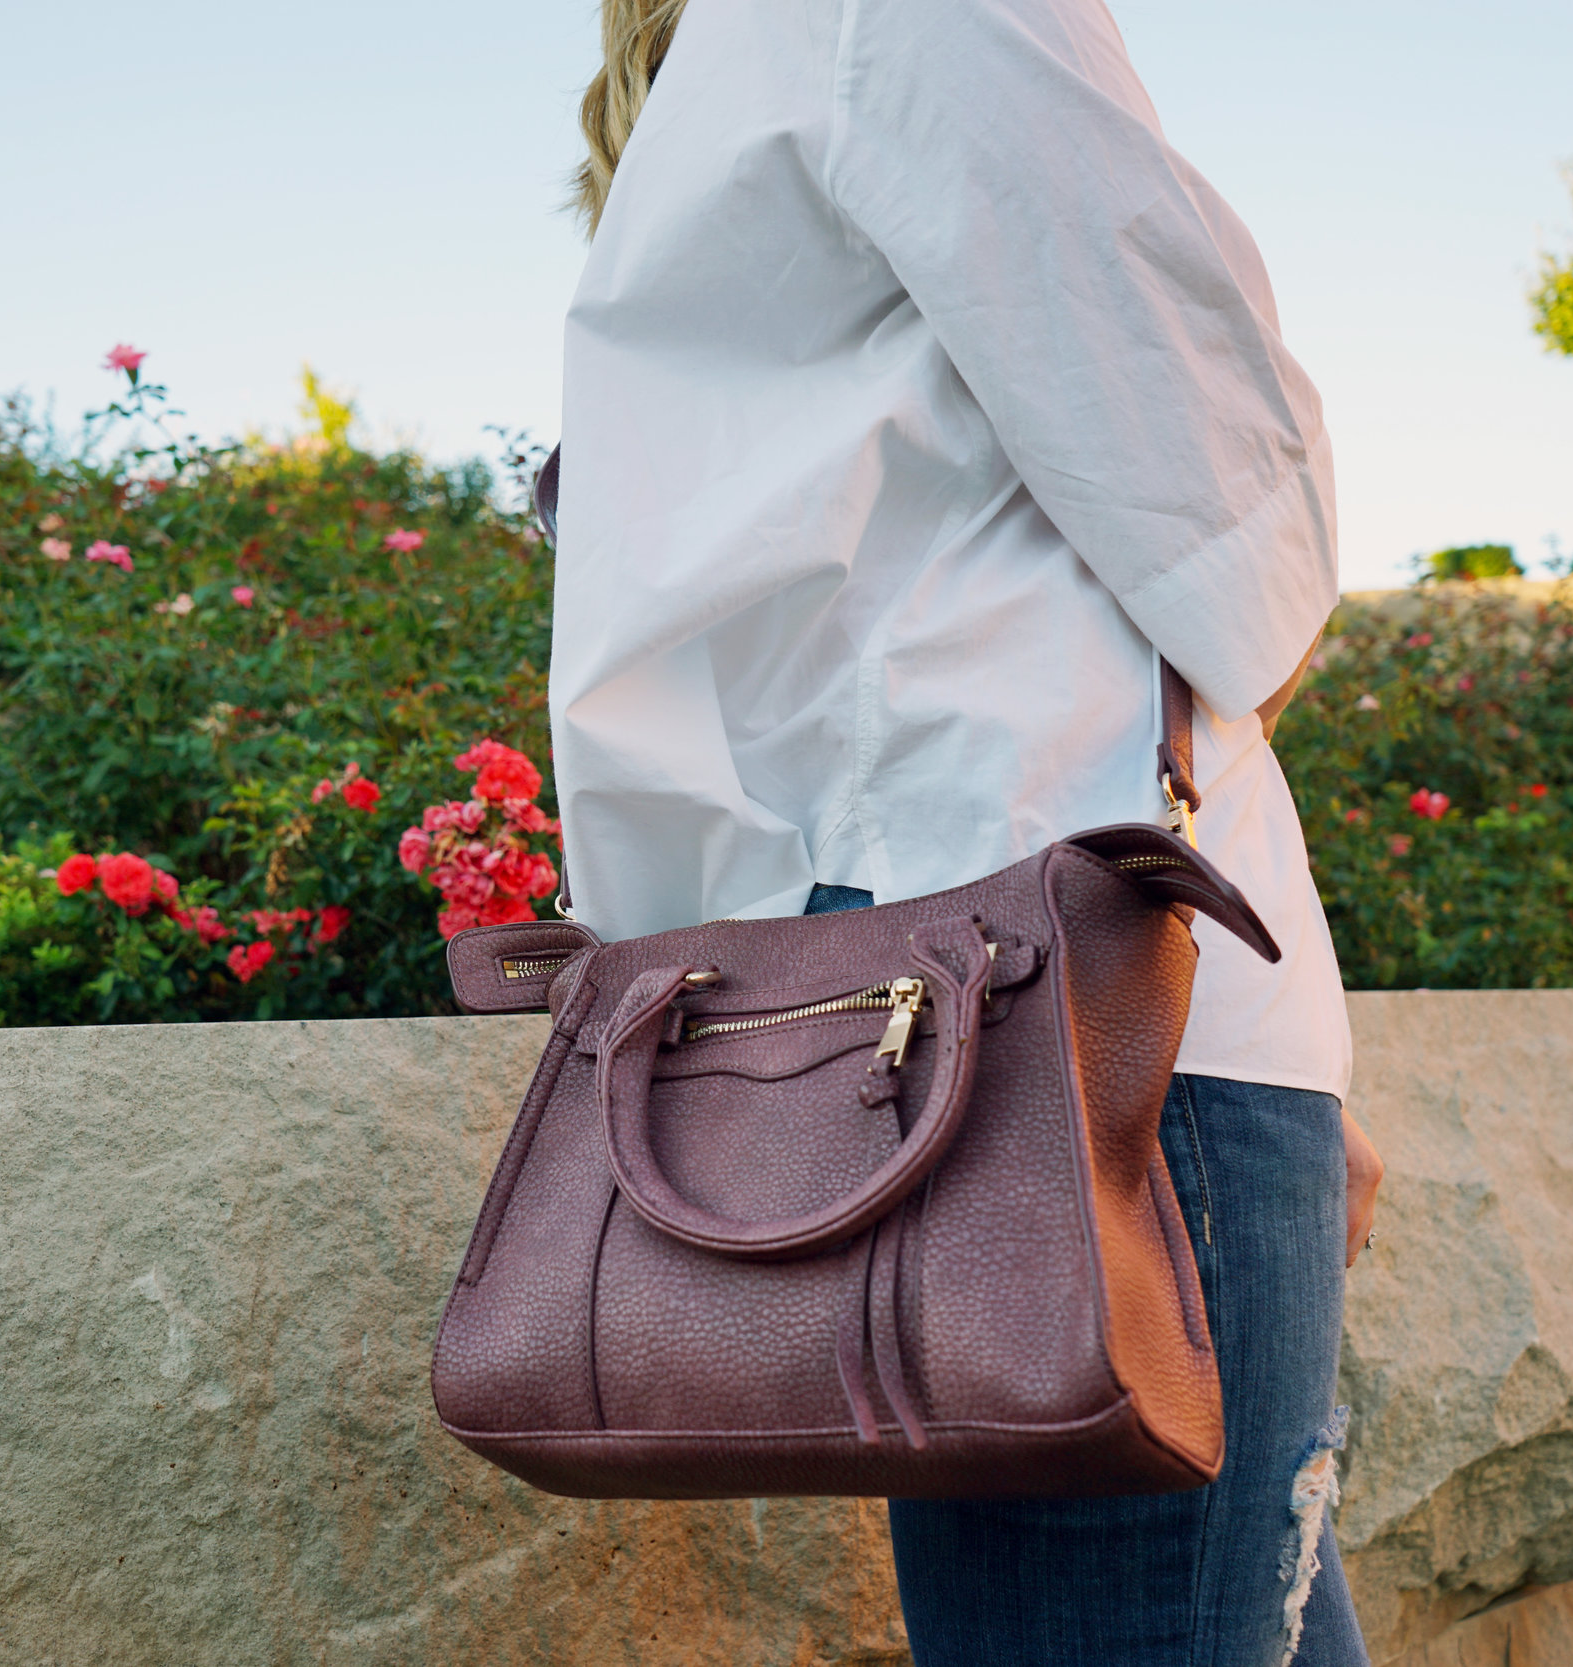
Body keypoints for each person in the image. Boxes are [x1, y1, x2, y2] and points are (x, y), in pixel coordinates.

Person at [543, 0, 1386, 1661]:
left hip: (931, 1004)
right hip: (1086, 1006)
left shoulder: (727, 74)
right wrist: (1234, 1064)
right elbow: (1229, 517)